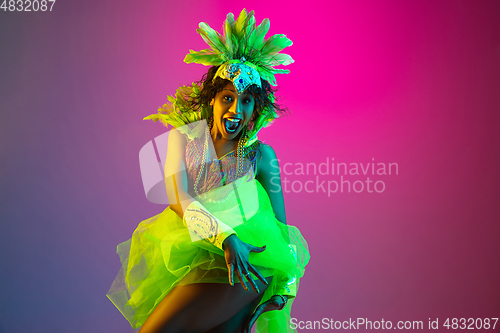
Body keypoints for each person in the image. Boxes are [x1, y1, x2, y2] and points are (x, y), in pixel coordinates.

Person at [107, 9, 309, 333]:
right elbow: (177, 196)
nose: (235, 110)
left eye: (245, 102)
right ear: (211, 99)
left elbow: (283, 233)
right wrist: (225, 238)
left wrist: (284, 290)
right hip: (207, 256)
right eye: (228, 97)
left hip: (251, 266)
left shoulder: (260, 156)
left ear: (256, 109)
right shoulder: (185, 140)